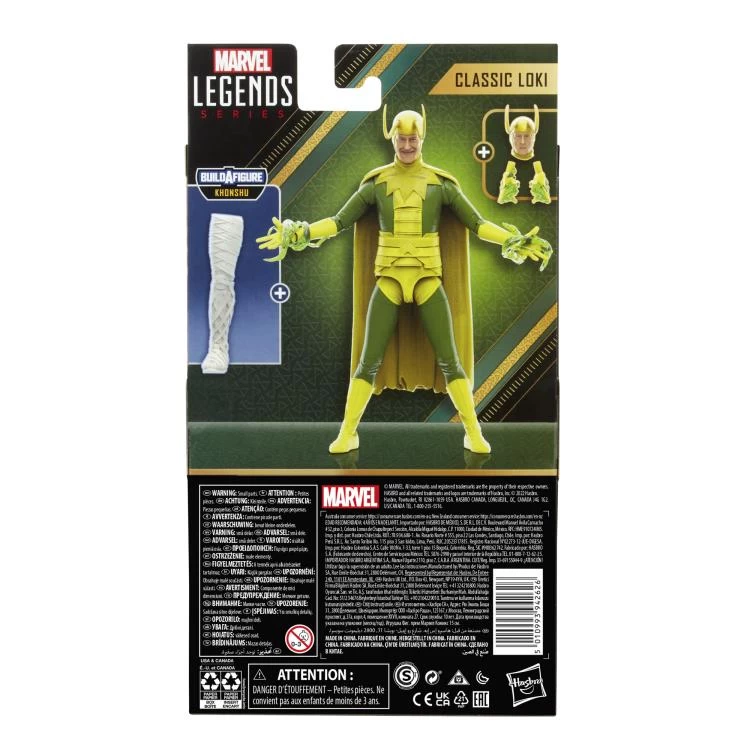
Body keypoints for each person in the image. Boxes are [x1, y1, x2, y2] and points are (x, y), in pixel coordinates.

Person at [257, 105, 552, 454]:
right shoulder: (376, 183)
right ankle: (348, 433)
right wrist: (301, 232)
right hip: (390, 278)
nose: (408, 145)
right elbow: (338, 222)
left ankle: (473, 432)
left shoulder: (441, 183)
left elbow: (476, 224)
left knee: (451, 360)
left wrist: (513, 239)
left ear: (422, 138)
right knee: (368, 360)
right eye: (402, 138)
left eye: (413, 139)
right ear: (392, 138)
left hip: (427, 277)